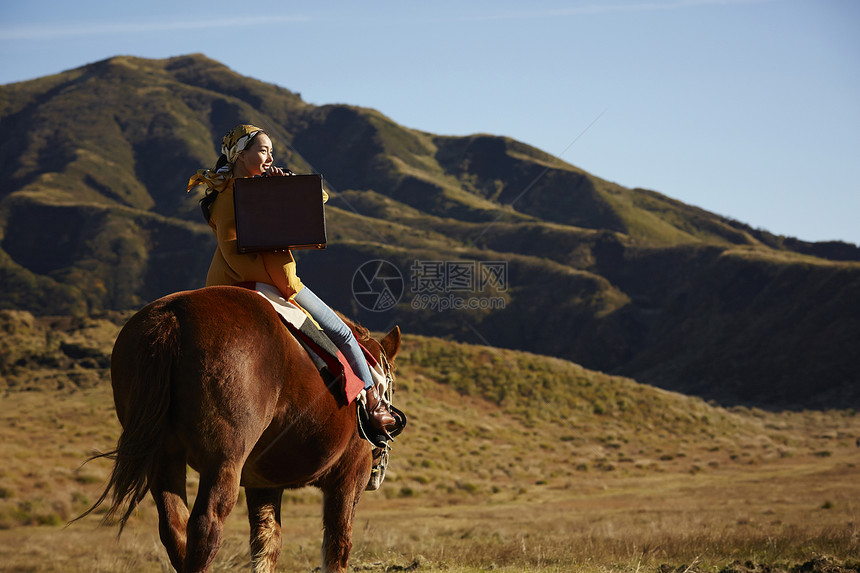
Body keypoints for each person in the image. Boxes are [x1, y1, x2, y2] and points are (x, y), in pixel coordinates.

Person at [187, 124, 396, 434]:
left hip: (237, 280)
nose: (270, 157)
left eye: (272, 151)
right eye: (262, 150)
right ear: (241, 155)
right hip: (266, 282)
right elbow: (237, 254)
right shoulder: (234, 197)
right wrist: (284, 285)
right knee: (343, 333)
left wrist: (288, 186)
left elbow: (317, 199)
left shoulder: (234, 191)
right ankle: (373, 405)